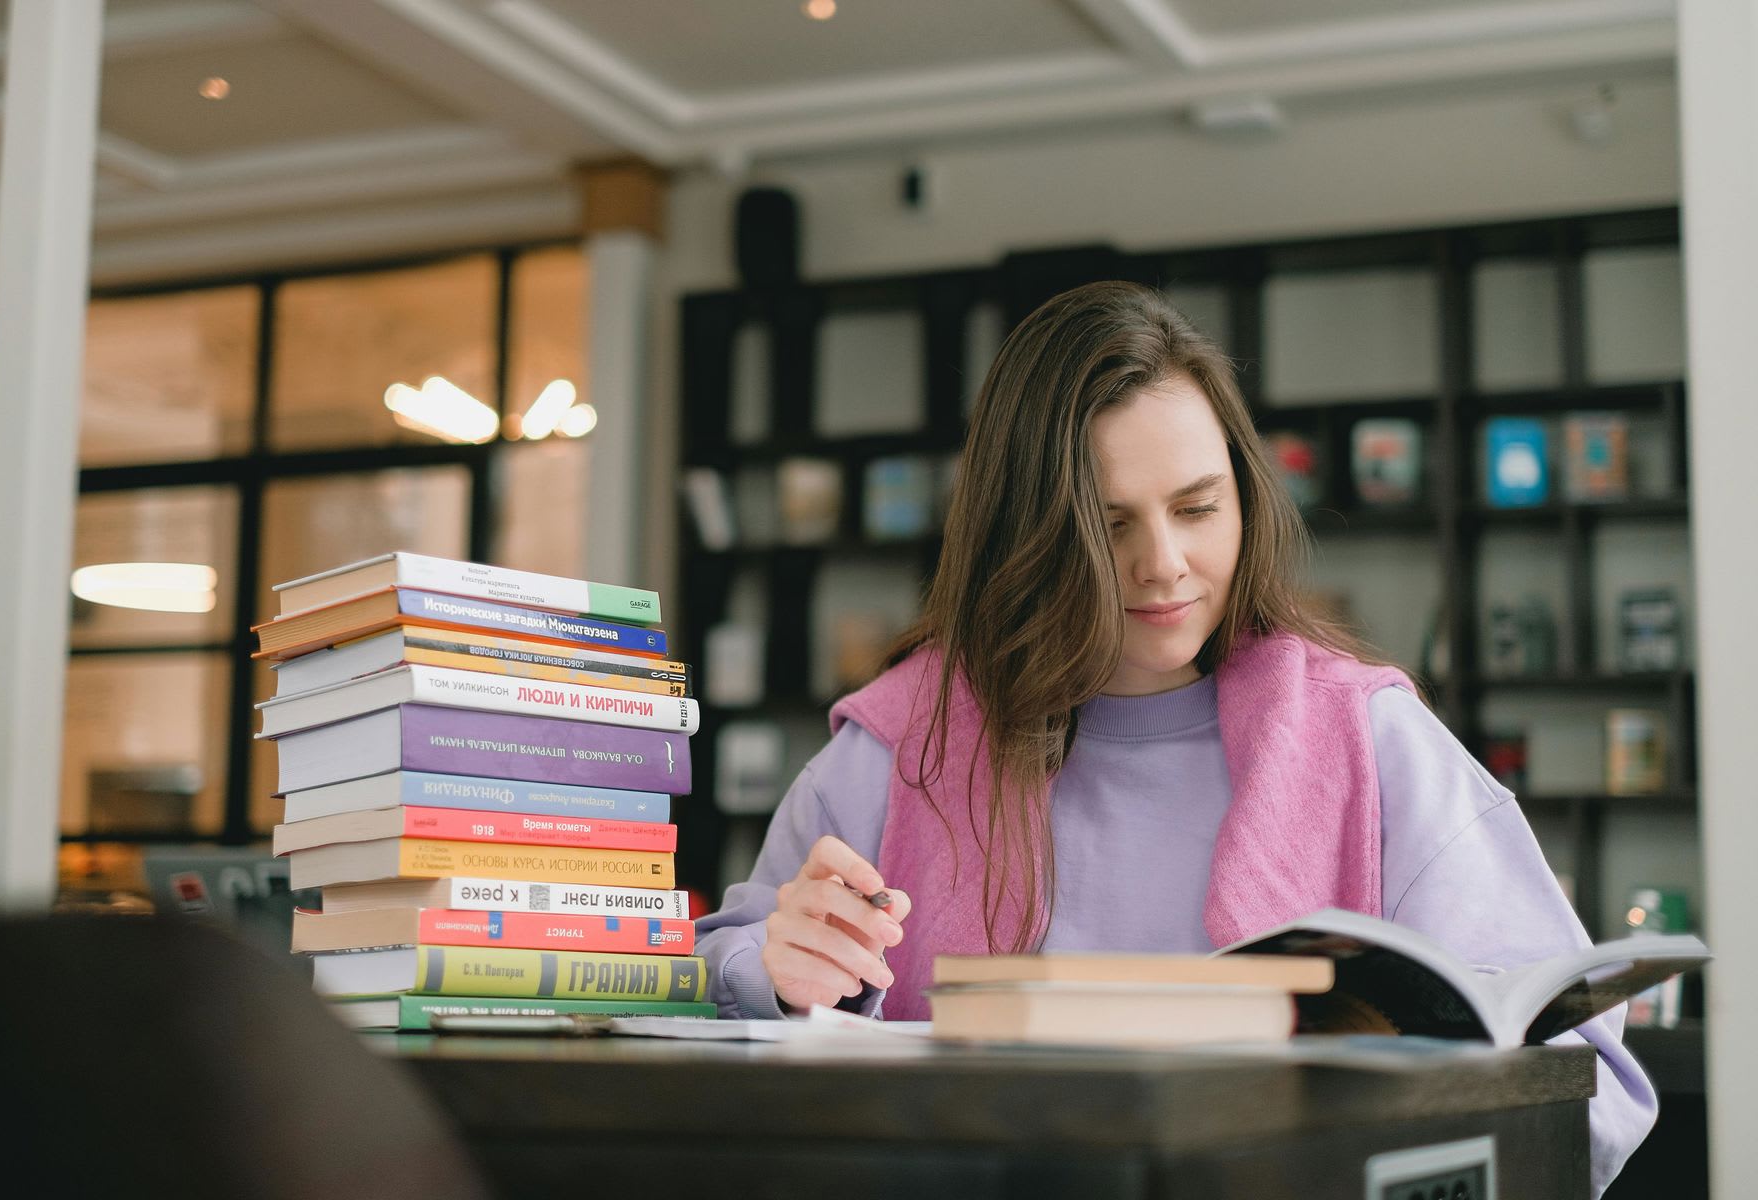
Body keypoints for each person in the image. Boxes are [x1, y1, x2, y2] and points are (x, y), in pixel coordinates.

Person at [694, 281, 1654, 1196]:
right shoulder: (902, 746)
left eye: (1198, 508)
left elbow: (1593, 1079)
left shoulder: (1371, 741)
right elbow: (703, 977)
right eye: (1107, 526)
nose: (1164, 565)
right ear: (1022, 536)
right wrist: (773, 973)